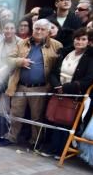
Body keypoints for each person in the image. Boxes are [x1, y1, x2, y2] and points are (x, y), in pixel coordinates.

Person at [42, 27, 93, 157]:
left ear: (88, 41)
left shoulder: (92, 57)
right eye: (77, 39)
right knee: (53, 119)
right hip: (58, 91)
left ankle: (60, 151)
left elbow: (89, 78)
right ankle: (50, 148)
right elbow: (54, 72)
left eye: (83, 39)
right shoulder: (66, 52)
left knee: (66, 122)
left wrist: (67, 88)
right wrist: (57, 86)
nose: (79, 42)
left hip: (73, 94)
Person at [4, 19, 63, 148]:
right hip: (20, 85)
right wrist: (21, 61)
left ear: (48, 31)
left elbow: (58, 67)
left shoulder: (57, 45)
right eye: (37, 28)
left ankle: (34, 142)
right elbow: (8, 59)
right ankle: (12, 137)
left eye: (42, 29)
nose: (39, 31)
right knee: (15, 114)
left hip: (40, 87)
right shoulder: (22, 43)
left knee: (37, 117)